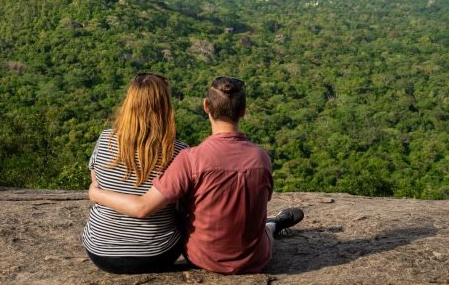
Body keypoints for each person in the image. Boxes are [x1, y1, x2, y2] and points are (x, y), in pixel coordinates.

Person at [89, 76, 304, 274]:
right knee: (264, 229)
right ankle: (273, 225)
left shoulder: (107, 140)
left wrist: (96, 194)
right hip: (171, 254)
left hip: (105, 251)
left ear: (206, 106)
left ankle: (272, 224)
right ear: (244, 110)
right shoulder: (260, 158)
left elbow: (100, 179)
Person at [82, 72, 189, 273]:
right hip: (157, 253)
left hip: (100, 252)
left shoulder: (105, 140)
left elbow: (96, 185)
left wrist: (95, 194)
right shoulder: (178, 152)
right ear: (165, 108)